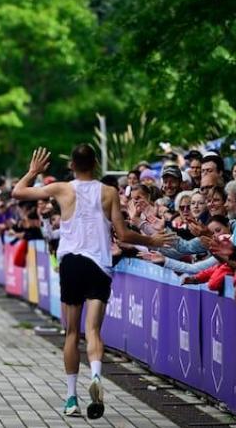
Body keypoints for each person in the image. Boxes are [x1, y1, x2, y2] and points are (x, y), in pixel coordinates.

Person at [12, 145, 169, 419]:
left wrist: (33, 172)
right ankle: (96, 376)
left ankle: (71, 397)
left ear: (72, 165)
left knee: (72, 333)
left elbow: (18, 192)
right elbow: (123, 234)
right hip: (98, 264)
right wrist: (152, 240)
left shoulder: (62, 189)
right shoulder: (108, 192)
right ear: (95, 164)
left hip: (71, 262)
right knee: (94, 330)